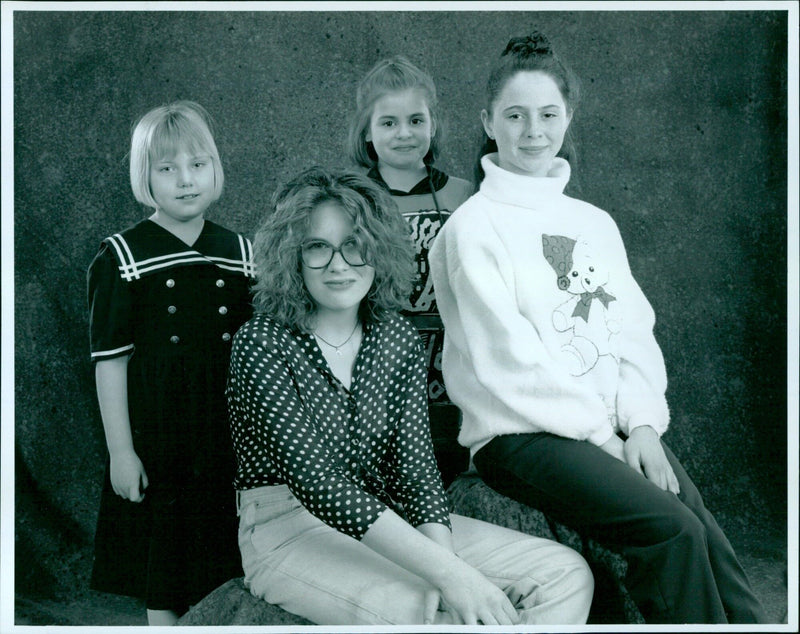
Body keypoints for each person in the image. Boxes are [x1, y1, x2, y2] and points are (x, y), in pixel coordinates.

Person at [428, 32, 768, 624]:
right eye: (515, 115)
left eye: (548, 114)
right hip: (522, 434)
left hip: (608, 428)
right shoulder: (473, 227)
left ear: (568, 118)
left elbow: (632, 331)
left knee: (706, 533)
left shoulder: (593, 222)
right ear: (488, 121)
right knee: (671, 532)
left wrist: (639, 425)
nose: (532, 130)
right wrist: (603, 437)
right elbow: (509, 363)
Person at [226, 166, 594, 626]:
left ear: (378, 251)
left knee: (563, 573)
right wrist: (450, 578)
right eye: (317, 247)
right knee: (431, 613)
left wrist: (450, 572)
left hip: (391, 515)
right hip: (287, 527)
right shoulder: (261, 341)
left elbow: (414, 467)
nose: (339, 264)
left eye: (355, 244)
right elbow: (317, 482)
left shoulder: (395, 335)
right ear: (292, 258)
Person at [87, 100, 254, 625]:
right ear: (147, 177)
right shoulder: (124, 255)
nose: (186, 180)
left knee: (227, 555)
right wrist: (121, 451)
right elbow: (110, 363)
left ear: (215, 169)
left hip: (228, 429)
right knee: (165, 557)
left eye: (198, 165)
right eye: (167, 168)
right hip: (161, 433)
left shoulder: (241, 252)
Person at [348, 57, 473, 484]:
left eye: (416, 120)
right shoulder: (349, 199)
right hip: (374, 368)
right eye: (388, 123)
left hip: (450, 367)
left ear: (433, 124)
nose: (404, 133)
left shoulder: (465, 196)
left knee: (447, 483)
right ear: (367, 131)